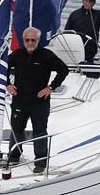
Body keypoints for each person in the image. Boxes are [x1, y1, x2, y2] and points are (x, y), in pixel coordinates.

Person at [6, 26, 70, 173]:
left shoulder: (46, 55)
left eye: (33, 40)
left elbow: (63, 70)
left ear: (38, 40)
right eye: (27, 40)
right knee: (16, 129)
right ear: (23, 40)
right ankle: (14, 156)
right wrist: (7, 84)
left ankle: (40, 162)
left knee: (40, 131)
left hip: (39, 102)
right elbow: (3, 67)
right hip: (20, 99)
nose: (30, 43)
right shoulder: (17, 55)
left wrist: (51, 87)